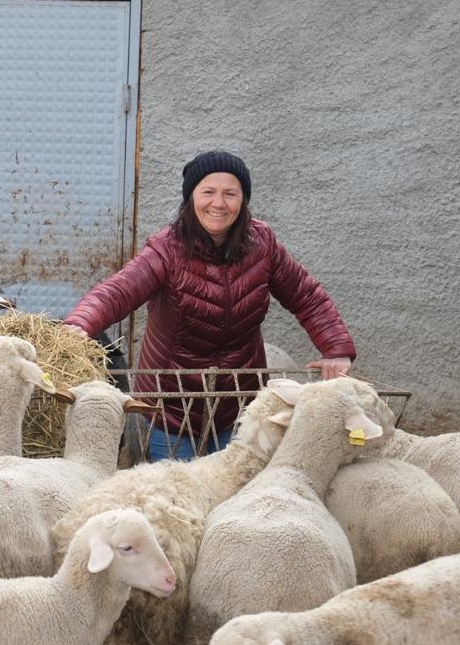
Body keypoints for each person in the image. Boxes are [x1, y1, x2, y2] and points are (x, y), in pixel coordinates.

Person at [63, 150, 355, 462]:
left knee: (234, 498)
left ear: (243, 200)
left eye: (230, 193)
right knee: (175, 499)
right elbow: (118, 291)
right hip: (171, 407)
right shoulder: (166, 249)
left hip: (239, 404)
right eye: (208, 192)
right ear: (191, 198)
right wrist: (80, 326)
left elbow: (305, 295)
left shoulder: (263, 243)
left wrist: (335, 348)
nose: (219, 203)